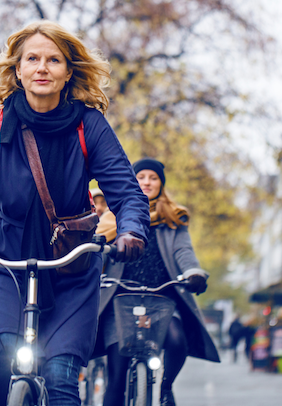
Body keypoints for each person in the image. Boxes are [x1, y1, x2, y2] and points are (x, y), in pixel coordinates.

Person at [0, 20, 150, 406]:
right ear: (18, 69)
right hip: (5, 258)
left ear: (67, 72)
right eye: (33, 58)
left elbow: (126, 192)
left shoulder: (88, 125)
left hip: (71, 266)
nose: (42, 67)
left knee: (60, 374)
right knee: (4, 356)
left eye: (53, 60)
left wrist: (131, 231)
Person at [95, 158, 220, 406]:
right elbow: (98, 250)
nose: (147, 182)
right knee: (116, 378)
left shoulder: (174, 218)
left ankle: (165, 387)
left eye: (153, 178)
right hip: (119, 299)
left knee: (176, 340)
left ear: (161, 184)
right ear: (133, 180)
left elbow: (183, 252)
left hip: (162, 297)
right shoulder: (115, 216)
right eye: (141, 177)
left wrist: (193, 272)